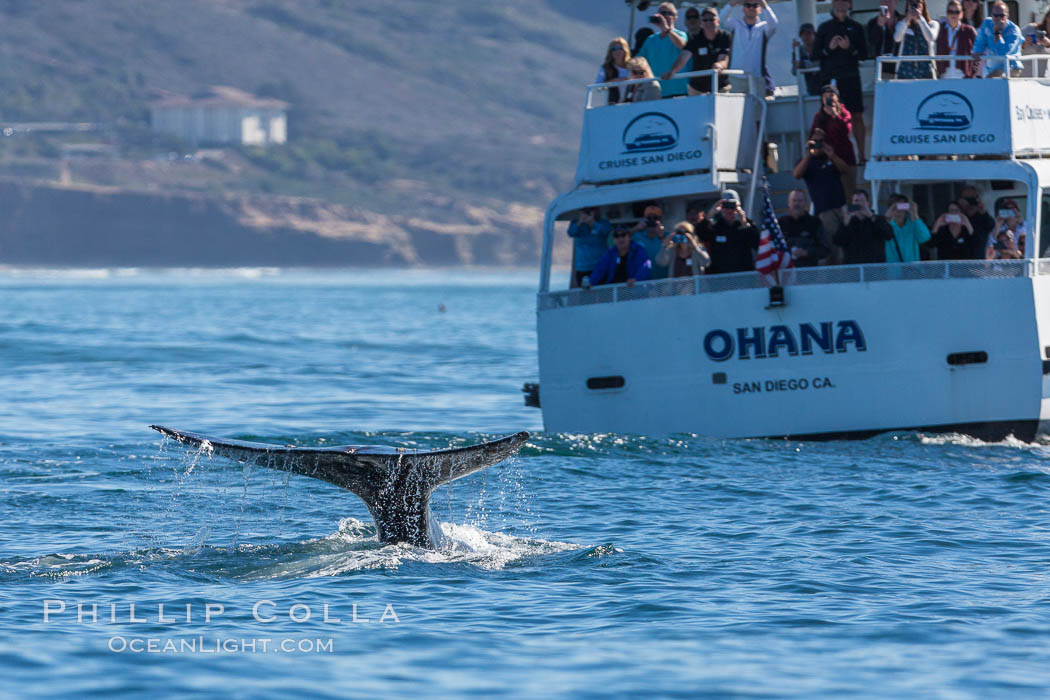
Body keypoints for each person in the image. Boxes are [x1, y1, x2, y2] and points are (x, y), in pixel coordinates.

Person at [815, 0, 868, 163]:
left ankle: (861, 155)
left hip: (851, 77)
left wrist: (849, 48)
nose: (840, 4)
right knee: (829, 117)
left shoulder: (857, 27)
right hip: (830, 81)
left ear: (850, 5)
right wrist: (829, 48)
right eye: (837, 1)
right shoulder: (824, 28)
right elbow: (815, 55)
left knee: (857, 116)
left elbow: (864, 54)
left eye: (844, 1)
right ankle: (831, 156)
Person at [792, 128, 848, 247]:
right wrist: (808, 155)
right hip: (824, 209)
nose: (818, 144)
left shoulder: (831, 158)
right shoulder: (807, 161)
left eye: (820, 141)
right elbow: (797, 174)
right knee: (832, 244)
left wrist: (832, 155)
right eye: (815, 141)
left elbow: (845, 169)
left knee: (846, 242)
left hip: (841, 206)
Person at [663, 7, 732, 94]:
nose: (708, 22)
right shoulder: (694, 38)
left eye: (711, 19)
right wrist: (672, 71)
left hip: (721, 86)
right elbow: (684, 56)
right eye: (705, 20)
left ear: (718, 21)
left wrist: (719, 65)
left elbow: (724, 58)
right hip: (697, 88)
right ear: (701, 23)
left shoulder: (725, 36)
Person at [719, 0, 778, 96]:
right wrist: (732, 3)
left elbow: (774, 24)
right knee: (736, 109)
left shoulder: (764, 28)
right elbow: (721, 20)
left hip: (757, 77)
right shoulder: (735, 25)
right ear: (743, 8)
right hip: (736, 76)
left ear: (760, 9)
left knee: (757, 109)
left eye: (755, 5)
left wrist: (765, 5)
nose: (751, 8)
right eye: (747, 5)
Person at [696, 190, 760, 274]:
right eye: (726, 206)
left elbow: (757, 245)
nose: (729, 210)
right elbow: (700, 235)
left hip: (743, 274)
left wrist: (744, 224)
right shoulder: (715, 225)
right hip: (719, 275)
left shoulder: (747, 225)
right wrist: (710, 214)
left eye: (733, 206)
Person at [809, 85, 856, 196]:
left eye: (831, 96)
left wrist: (835, 115)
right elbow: (813, 136)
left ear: (837, 98)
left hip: (846, 159)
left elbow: (846, 131)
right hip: (827, 160)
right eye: (825, 96)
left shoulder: (845, 113)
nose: (828, 99)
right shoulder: (819, 116)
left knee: (849, 192)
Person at [637, 2, 689, 97]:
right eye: (662, 13)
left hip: (679, 92)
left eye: (669, 13)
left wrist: (667, 30)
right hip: (656, 93)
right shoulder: (651, 40)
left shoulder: (682, 35)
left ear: (675, 17)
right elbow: (638, 61)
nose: (665, 16)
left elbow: (683, 46)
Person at [834, 190, 894, 264]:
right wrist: (845, 223)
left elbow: (889, 235)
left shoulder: (878, 219)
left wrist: (871, 216)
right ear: (852, 204)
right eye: (856, 201)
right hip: (853, 268)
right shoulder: (847, 222)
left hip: (874, 267)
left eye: (862, 200)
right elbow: (838, 241)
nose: (859, 204)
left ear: (868, 203)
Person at [585, 227, 652, 287]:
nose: (620, 238)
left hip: (634, 288)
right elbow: (599, 269)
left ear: (629, 237)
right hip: (614, 291)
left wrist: (636, 279)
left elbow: (645, 267)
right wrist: (591, 282)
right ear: (614, 239)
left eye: (623, 235)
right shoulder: (610, 253)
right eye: (616, 236)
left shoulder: (638, 250)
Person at [778, 190, 829, 267]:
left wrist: (806, 252)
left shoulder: (815, 223)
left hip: (808, 272)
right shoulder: (781, 223)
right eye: (794, 200)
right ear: (789, 203)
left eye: (800, 200)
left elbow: (825, 250)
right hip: (786, 273)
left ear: (805, 203)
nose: (796, 204)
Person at [972, 1, 1023, 77]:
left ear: (1007, 16)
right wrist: (977, 52)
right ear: (992, 15)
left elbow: (1003, 54)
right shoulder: (987, 23)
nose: (999, 18)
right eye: (995, 15)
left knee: (993, 78)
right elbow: (980, 43)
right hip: (991, 66)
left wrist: (997, 33)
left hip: (1010, 66)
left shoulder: (1014, 31)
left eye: (1002, 15)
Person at [894, 0, 939, 79]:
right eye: (911, 2)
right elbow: (897, 38)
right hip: (905, 73)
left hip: (926, 73)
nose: (915, 5)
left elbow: (931, 37)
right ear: (907, 6)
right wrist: (907, 20)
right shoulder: (902, 23)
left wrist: (920, 19)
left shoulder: (932, 24)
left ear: (923, 6)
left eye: (918, 2)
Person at [567, 207, 612, 287]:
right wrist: (579, 222)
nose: (585, 214)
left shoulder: (603, 222)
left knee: (604, 294)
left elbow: (606, 231)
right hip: (583, 268)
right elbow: (571, 233)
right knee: (587, 296)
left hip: (602, 266)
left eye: (588, 212)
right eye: (583, 212)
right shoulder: (575, 223)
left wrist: (592, 222)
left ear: (594, 212)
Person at [936, 0, 978, 78]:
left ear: (961, 14)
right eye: (950, 11)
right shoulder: (939, 29)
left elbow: (980, 52)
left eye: (957, 12)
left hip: (964, 76)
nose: (953, 14)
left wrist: (974, 72)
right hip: (943, 76)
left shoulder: (969, 30)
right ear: (946, 13)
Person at [884, 193, 931, 263]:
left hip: (911, 269)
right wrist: (886, 218)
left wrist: (915, 215)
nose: (899, 209)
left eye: (902, 206)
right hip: (892, 270)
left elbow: (925, 237)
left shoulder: (913, 224)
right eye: (895, 206)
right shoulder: (885, 225)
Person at [631, 204, 670, 278]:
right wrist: (636, 228)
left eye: (655, 218)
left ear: (660, 220)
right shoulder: (636, 236)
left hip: (663, 281)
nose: (652, 221)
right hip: (643, 282)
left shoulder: (669, 236)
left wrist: (662, 236)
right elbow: (615, 241)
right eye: (649, 218)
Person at [868, 0, 904, 79]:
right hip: (882, 70)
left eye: (890, 1)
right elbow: (872, 42)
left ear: (896, 2)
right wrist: (879, 25)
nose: (887, 3)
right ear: (881, 3)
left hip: (902, 69)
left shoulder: (903, 20)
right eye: (884, 1)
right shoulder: (873, 22)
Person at [958, 185, 995, 251]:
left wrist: (982, 210)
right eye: (966, 198)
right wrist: (959, 208)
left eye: (972, 198)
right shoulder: (957, 216)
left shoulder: (983, 217)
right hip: (960, 256)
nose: (970, 201)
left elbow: (991, 226)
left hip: (978, 258)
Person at [596, 38, 631, 104]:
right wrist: (616, 81)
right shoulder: (606, 68)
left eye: (620, 48)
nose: (617, 51)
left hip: (631, 104)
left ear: (625, 50)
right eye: (614, 49)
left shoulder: (632, 67)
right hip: (612, 105)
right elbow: (598, 87)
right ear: (610, 52)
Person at [792, 23, 823, 95]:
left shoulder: (820, 48)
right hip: (811, 90)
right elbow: (794, 71)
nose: (806, 37)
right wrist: (795, 52)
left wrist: (802, 64)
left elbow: (822, 63)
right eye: (803, 34)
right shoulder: (800, 51)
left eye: (809, 33)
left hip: (825, 88)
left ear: (814, 35)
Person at [1021, 8, 1050, 77]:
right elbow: (1013, 47)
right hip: (1022, 77)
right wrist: (1024, 44)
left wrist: (1048, 44)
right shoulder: (1030, 28)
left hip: (1042, 80)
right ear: (1046, 17)